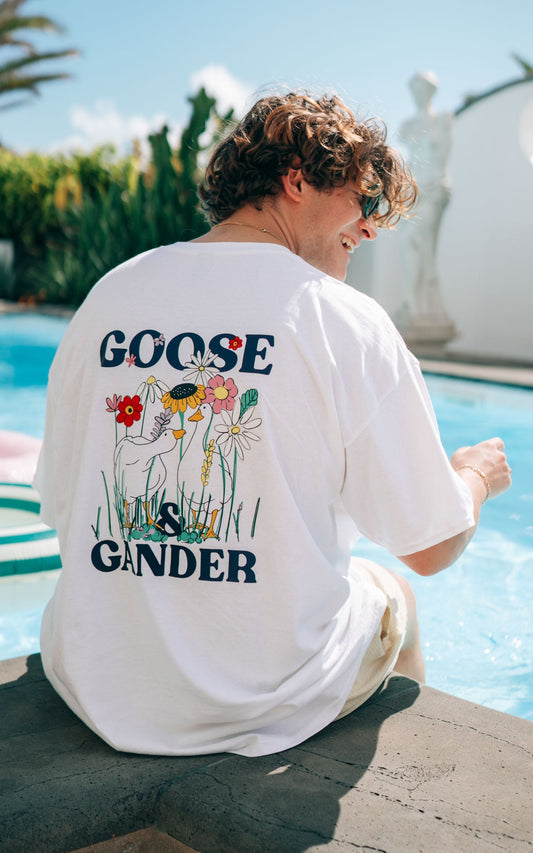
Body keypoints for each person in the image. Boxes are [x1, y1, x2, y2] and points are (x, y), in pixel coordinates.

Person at [34, 91, 511, 758]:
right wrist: (473, 477)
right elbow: (431, 547)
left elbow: (61, 504)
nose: (370, 228)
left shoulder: (110, 294)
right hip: (258, 700)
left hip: (93, 683)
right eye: (363, 199)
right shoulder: (342, 318)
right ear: (296, 180)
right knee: (395, 591)